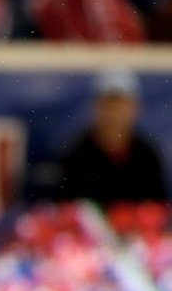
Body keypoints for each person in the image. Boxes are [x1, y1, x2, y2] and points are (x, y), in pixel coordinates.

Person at [56, 69, 168, 205]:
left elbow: (157, 210)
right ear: (95, 107)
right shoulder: (75, 155)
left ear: (135, 108)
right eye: (108, 105)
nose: (114, 114)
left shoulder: (146, 156)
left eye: (120, 106)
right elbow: (66, 210)